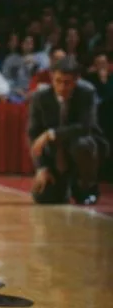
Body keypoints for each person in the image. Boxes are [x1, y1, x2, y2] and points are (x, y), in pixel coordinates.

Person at [28, 57, 108, 205]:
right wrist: (41, 167)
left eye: (67, 83)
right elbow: (33, 134)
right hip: (55, 154)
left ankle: (86, 185)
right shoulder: (40, 97)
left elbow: (85, 126)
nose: (62, 87)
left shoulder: (87, 93)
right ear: (51, 77)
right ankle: (61, 183)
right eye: (58, 81)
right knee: (43, 198)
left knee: (81, 144)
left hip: (83, 151)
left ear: (76, 80)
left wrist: (51, 134)